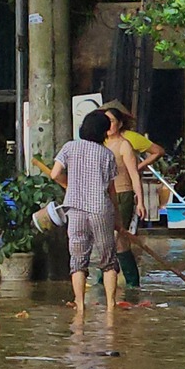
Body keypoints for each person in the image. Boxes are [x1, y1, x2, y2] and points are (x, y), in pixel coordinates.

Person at [50, 109, 121, 321]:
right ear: (104, 132)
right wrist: (118, 218)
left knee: (78, 260)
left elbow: (54, 173)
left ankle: (80, 307)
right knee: (108, 260)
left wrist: (69, 186)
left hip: (75, 208)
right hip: (100, 208)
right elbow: (111, 190)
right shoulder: (107, 154)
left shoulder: (69, 147)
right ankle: (110, 307)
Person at [100, 107, 147, 296]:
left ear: (119, 124)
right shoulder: (99, 144)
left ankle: (133, 282)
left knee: (120, 240)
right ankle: (102, 279)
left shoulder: (124, 145)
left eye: (111, 121)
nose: (109, 125)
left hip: (123, 195)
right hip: (104, 196)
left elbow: (134, 175)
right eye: (105, 121)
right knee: (105, 240)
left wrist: (140, 201)